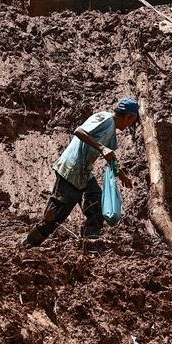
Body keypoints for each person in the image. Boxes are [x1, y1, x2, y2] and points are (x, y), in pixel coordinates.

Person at [24, 98, 139, 247]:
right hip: (71, 169)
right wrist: (101, 148)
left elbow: (111, 157)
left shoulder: (112, 133)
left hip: (84, 173)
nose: (130, 125)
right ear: (128, 116)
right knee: (56, 215)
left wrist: (122, 176)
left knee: (97, 205)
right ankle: (29, 244)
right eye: (132, 121)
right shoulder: (105, 119)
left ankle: (90, 243)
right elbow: (79, 131)